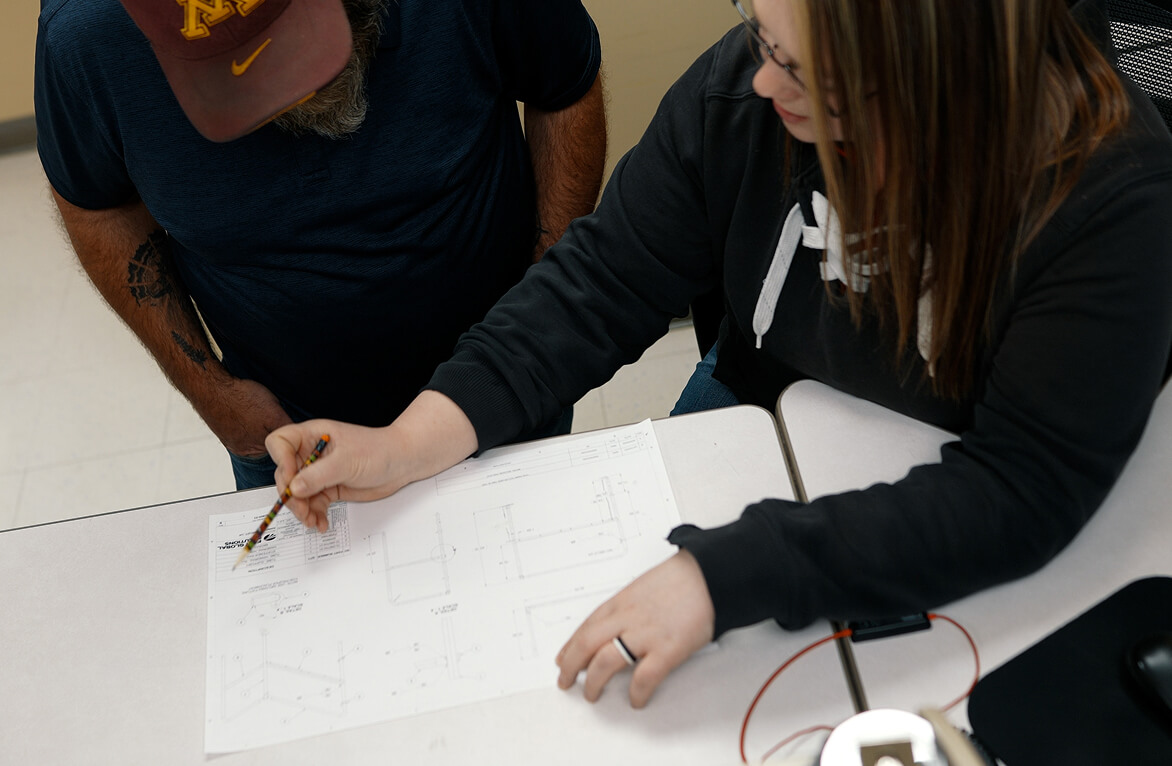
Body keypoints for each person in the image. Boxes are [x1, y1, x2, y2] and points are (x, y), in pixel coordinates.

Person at [266, 0, 1172, 709]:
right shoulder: (744, 92)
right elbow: (602, 278)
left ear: (942, 90)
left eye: (809, 72)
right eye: (764, 35)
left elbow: (1025, 487)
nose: (766, 83)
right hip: (769, 403)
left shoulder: (1111, 199)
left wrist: (726, 573)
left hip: (955, 477)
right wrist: (410, 439)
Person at [34, 0, 606, 489]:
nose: (273, 93)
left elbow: (564, 84)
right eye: (227, 73)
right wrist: (212, 391)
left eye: (287, 46)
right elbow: (97, 206)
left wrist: (543, 310)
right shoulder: (83, 32)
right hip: (288, 427)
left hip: (507, 373)